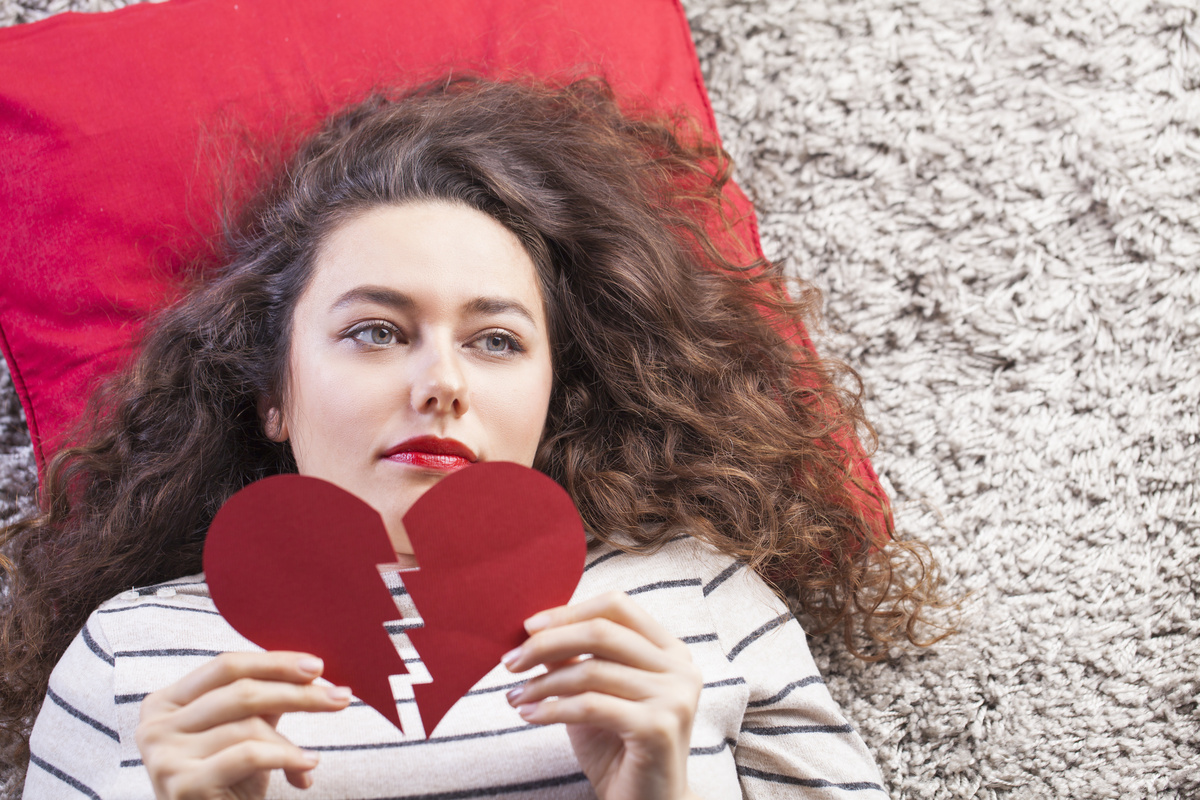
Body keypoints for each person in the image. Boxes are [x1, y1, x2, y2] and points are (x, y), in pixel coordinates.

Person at [1, 77, 946, 798]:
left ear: (552, 393)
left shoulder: (701, 600)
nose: (442, 383)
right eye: (377, 332)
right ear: (270, 394)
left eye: (495, 341)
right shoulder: (131, 653)